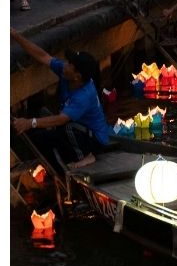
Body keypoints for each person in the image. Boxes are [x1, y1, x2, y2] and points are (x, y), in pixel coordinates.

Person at [9, 29, 112, 170]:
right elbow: (43, 56)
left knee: (66, 126)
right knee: (40, 137)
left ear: (77, 76)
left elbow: (62, 119)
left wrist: (30, 122)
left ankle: (87, 157)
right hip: (75, 128)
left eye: (70, 65)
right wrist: (16, 36)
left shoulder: (84, 95)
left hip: (93, 139)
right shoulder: (66, 72)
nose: (66, 65)